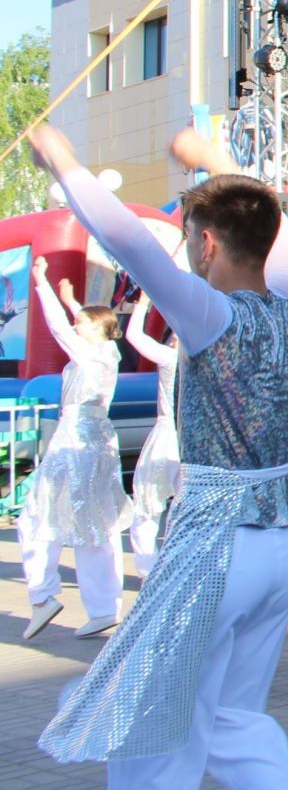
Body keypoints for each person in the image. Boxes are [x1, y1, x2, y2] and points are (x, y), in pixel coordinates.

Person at [31, 124, 288, 790]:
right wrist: (217, 164)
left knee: (150, 731)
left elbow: (129, 240)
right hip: (278, 550)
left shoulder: (210, 313)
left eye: (190, 237)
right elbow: (275, 225)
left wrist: (60, 156)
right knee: (232, 717)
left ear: (204, 247)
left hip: (214, 548)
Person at [19, 255, 130, 639]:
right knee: (94, 524)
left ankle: (43, 595)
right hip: (96, 441)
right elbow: (80, 324)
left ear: (97, 328)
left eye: (80, 320)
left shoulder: (90, 353)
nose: (73, 323)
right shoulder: (107, 353)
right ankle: (104, 607)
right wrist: (71, 302)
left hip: (76, 441)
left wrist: (42, 283)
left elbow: (57, 328)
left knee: (37, 515)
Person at [121, 292, 180, 578]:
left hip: (169, 437)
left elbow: (135, 336)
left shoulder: (171, 357)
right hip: (194, 440)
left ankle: (150, 570)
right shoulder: (209, 360)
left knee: (147, 505)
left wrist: (142, 304)